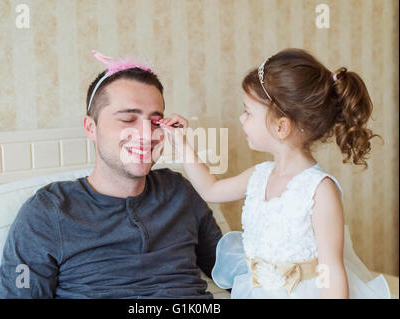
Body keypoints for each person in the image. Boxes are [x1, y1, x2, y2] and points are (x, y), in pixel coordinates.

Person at [159, 48, 391, 299]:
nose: (241, 118)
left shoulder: (320, 191)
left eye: (248, 112)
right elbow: (210, 190)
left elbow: (331, 270)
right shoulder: (258, 175)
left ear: (281, 127)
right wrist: (181, 144)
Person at [0, 51, 223, 298]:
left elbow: (232, 270)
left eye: (156, 121)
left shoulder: (179, 192)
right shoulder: (48, 212)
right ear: (91, 128)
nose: (146, 134)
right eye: (128, 119)